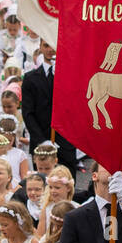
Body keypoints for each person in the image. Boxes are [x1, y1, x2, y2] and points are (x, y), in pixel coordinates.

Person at [21, 39, 78, 176]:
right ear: (40, 47)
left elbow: (75, 107)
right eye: (46, 45)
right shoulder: (30, 78)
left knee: (66, 183)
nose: (50, 50)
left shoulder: (70, 76)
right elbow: (28, 113)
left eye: (53, 45)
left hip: (65, 142)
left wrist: (63, 76)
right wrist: (42, 140)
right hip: (41, 142)